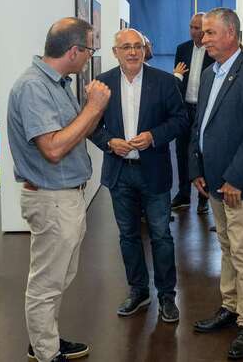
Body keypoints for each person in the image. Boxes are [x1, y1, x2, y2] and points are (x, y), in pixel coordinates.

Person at [6, 17, 111, 362]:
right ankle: (46, 353)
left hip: (64, 197)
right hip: (52, 199)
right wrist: (93, 107)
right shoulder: (34, 87)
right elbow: (53, 148)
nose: (90, 56)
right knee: (46, 283)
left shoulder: (57, 84)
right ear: (74, 51)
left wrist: (93, 112)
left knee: (59, 276)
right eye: (90, 49)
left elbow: (74, 132)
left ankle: (43, 340)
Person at [189, 8, 243, 360]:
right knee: (226, 246)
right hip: (213, 181)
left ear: (231, 34)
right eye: (203, 32)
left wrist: (235, 179)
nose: (203, 39)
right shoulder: (210, 74)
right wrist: (196, 167)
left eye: (210, 33)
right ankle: (229, 306)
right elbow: (199, 125)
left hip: (239, 185)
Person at [89, 29, 188, 322]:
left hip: (154, 172)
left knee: (161, 235)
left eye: (138, 46)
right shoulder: (102, 84)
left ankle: (167, 295)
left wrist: (154, 136)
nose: (132, 52)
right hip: (120, 173)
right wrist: (109, 142)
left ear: (145, 50)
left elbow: (181, 120)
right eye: (126, 47)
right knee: (128, 235)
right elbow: (91, 126)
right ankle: (138, 291)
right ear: (115, 52)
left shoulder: (165, 82)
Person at [171, 13, 214, 214]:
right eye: (191, 27)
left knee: (202, 153)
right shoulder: (182, 49)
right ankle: (183, 194)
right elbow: (177, 80)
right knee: (181, 151)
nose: (193, 31)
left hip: (205, 109)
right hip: (185, 108)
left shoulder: (213, 50)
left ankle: (204, 198)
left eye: (198, 28)